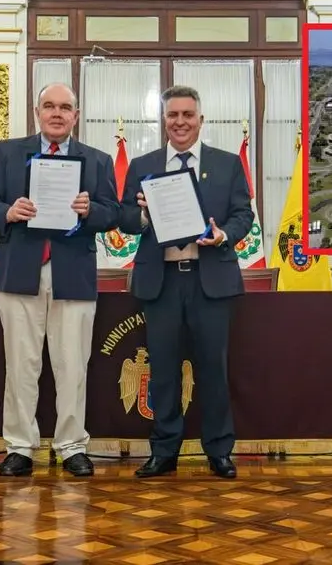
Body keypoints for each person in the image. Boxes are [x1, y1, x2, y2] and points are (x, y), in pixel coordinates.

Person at [0, 82, 120, 477]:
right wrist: (7, 210)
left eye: (65, 107)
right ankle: (20, 446)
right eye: (49, 106)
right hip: (19, 271)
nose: (57, 113)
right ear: (37, 111)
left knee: (73, 364)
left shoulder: (99, 160)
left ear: (76, 114)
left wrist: (92, 211)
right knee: (21, 364)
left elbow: (114, 214)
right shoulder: (6, 153)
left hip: (74, 275)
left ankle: (72, 446)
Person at [118, 85, 254, 479]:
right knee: (162, 371)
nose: (180, 122)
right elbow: (125, 220)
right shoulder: (143, 165)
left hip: (209, 280)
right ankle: (164, 451)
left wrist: (223, 235)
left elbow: (243, 215)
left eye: (187, 115)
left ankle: (219, 450)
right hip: (160, 283)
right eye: (172, 115)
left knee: (213, 369)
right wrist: (142, 215)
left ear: (200, 120)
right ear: (163, 120)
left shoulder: (226, 164)